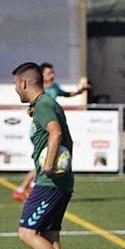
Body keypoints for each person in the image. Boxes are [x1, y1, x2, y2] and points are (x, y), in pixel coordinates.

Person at [12, 62, 83, 249]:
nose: (15, 90)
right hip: (60, 183)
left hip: (49, 182)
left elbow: (55, 132)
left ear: (23, 83)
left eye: (15, 85)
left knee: (26, 233)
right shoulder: (43, 104)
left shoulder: (43, 104)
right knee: (49, 234)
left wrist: (50, 164)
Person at [11, 63, 90, 203]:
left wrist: (80, 91)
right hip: (42, 130)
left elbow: (67, 94)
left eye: (53, 72)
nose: (52, 75)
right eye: (49, 73)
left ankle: (26, 188)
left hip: (51, 128)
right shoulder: (41, 96)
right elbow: (35, 109)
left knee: (45, 161)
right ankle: (27, 187)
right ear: (41, 76)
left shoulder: (54, 89)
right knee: (45, 160)